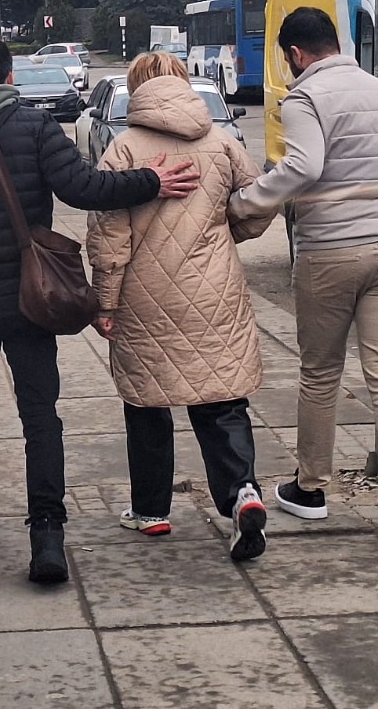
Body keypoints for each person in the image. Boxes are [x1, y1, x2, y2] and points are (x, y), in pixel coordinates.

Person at [0, 35, 200, 584]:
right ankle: (47, 535)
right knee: (40, 415)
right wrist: (152, 180)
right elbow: (83, 188)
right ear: (10, 77)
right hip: (33, 298)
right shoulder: (35, 129)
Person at [229, 7, 378, 549]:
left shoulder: (304, 99)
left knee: (321, 372)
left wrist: (245, 200)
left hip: (330, 251)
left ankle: (310, 489)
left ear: (296, 54)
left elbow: (303, 166)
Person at [86, 53, 275, 561]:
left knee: (147, 402)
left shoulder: (123, 150)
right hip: (216, 293)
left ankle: (151, 510)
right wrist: (227, 233)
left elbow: (109, 235)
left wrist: (105, 302)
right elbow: (260, 201)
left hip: (144, 297)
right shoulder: (221, 142)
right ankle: (242, 494)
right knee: (221, 400)